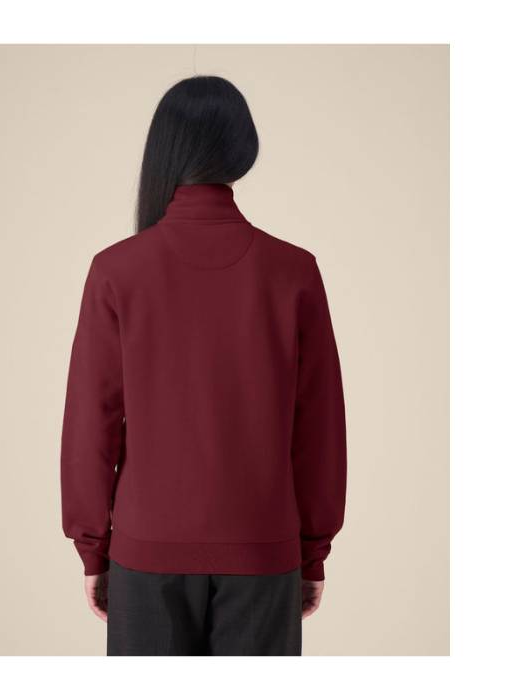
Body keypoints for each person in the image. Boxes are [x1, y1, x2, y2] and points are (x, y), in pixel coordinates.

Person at [61, 75, 346, 656]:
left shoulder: (116, 270)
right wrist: (311, 552)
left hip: (147, 555)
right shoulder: (294, 271)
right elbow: (320, 429)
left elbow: (91, 421)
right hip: (263, 551)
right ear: (244, 150)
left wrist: (94, 548)